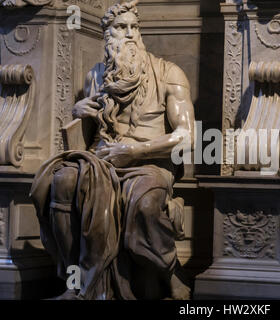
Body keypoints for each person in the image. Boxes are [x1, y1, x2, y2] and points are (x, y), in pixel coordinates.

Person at [30, 0, 195, 299]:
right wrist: (80, 110)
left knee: (144, 204)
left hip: (149, 163)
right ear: (108, 36)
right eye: (121, 28)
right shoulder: (96, 76)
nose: (130, 34)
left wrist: (134, 152)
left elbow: (187, 137)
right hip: (101, 159)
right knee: (60, 182)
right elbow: (91, 134)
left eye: (134, 27)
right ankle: (76, 282)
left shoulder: (169, 73)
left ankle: (169, 270)